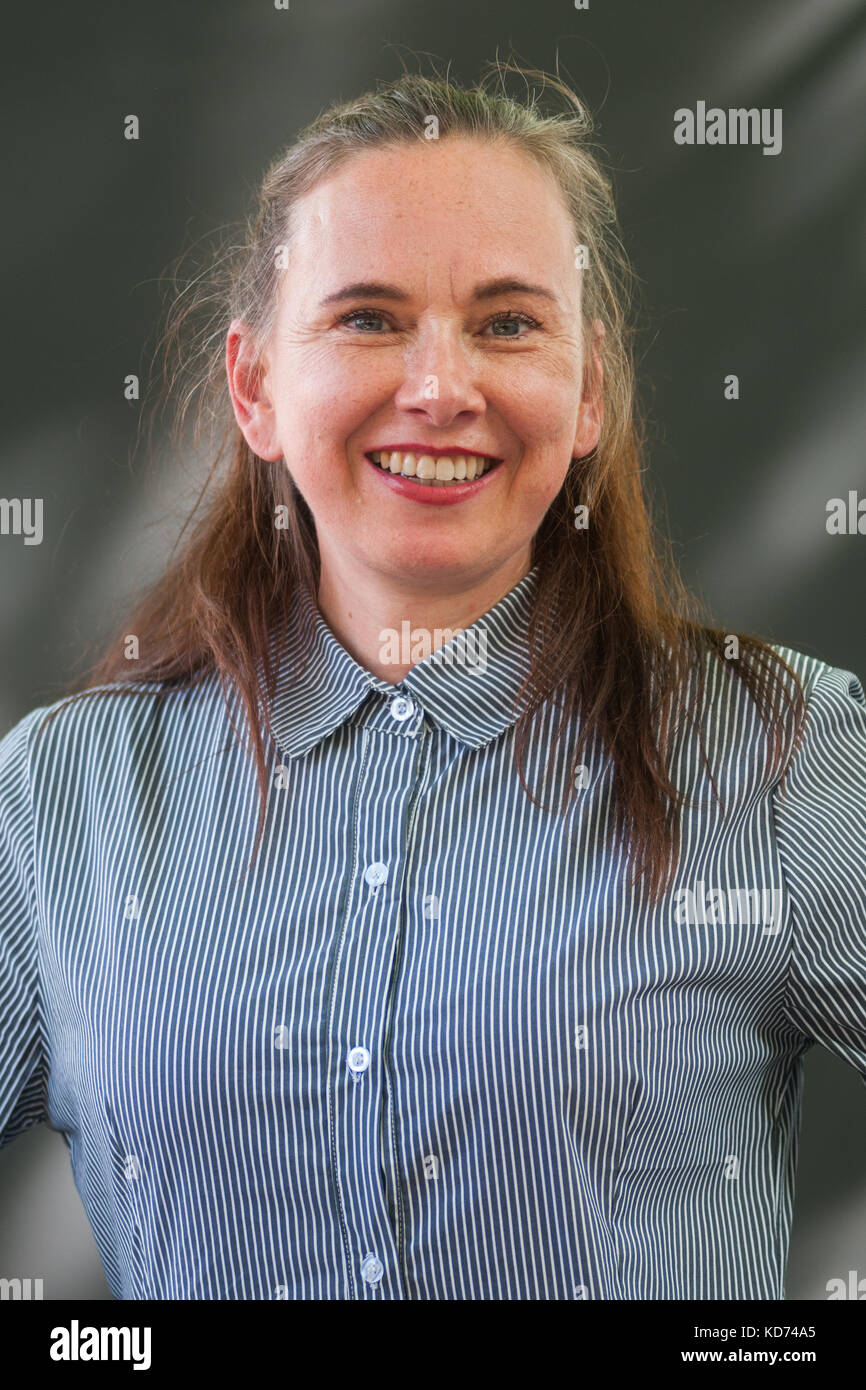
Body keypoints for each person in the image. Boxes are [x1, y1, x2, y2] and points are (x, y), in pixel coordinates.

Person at [1, 66, 864, 1302]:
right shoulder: (56, 795)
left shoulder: (784, 755)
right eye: (367, 317)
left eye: (507, 323)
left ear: (587, 393)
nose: (441, 387)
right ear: (253, 389)